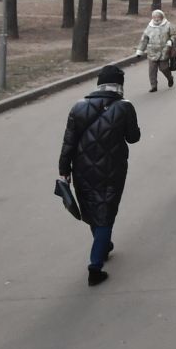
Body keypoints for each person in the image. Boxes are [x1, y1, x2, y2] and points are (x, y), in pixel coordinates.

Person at [58, 64, 141, 286]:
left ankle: (103, 244)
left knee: (94, 208)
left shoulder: (78, 107)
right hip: (113, 169)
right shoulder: (125, 108)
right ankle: (95, 266)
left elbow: (68, 143)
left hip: (82, 169)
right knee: (106, 210)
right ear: (120, 86)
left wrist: (64, 170)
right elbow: (133, 138)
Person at [138, 8, 176, 92]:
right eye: (154, 17)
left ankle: (170, 78)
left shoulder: (168, 25)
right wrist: (140, 50)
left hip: (164, 51)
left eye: (158, 17)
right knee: (152, 70)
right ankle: (154, 86)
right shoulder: (149, 26)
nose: (156, 18)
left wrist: (170, 41)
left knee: (164, 68)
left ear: (162, 17)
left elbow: (174, 35)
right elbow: (144, 39)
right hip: (152, 51)